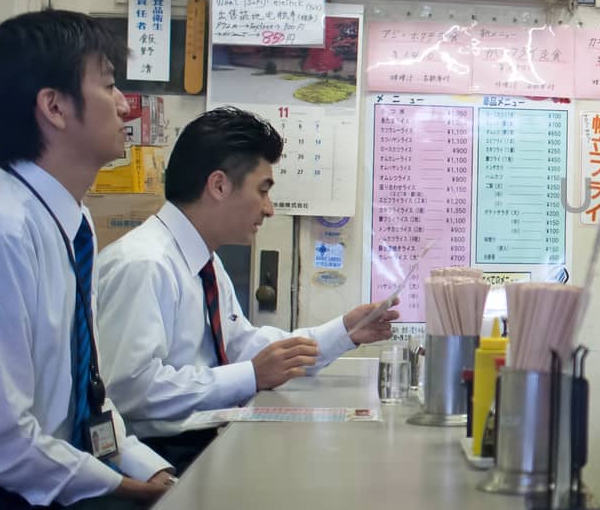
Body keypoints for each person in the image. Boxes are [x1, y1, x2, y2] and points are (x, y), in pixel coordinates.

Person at [0, 10, 178, 510]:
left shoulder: (73, 225)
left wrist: (158, 475)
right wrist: (126, 490)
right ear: (55, 107)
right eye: (109, 85)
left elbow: (91, 398)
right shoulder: (1, 230)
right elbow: (4, 446)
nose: (126, 106)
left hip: (51, 491)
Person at [96, 107, 397, 471]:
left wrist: (345, 332)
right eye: (263, 190)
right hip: (158, 459)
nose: (269, 209)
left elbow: (244, 346)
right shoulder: (144, 264)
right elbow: (131, 392)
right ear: (219, 185)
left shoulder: (203, 262)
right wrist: (251, 375)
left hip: (199, 444)